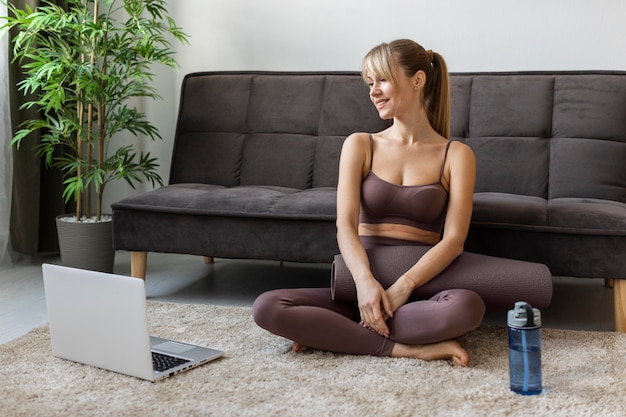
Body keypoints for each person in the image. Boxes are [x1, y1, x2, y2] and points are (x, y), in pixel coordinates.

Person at [252, 39, 485, 367]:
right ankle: (408, 347)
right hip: (361, 285)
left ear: (417, 81)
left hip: (418, 290)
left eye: (383, 80)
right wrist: (364, 283)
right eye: (370, 82)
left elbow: (454, 241)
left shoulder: (456, 155)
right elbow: (345, 225)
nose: (374, 91)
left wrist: (405, 286)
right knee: (267, 307)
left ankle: (339, 333)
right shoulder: (360, 145)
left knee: (467, 307)